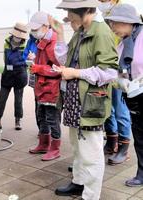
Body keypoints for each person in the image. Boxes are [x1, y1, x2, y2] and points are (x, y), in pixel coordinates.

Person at [53, 0, 119, 199]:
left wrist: (75, 72)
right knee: (77, 146)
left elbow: (109, 72)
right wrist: (59, 34)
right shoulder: (81, 31)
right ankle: (79, 182)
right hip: (75, 100)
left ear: (84, 11)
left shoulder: (101, 32)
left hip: (90, 102)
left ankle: (90, 195)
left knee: (91, 152)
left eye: (70, 11)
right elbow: (65, 60)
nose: (68, 15)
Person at [104, 3, 143, 187]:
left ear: (127, 22)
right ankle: (142, 174)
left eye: (114, 24)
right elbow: (117, 71)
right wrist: (119, 81)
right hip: (134, 98)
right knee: (140, 138)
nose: (112, 28)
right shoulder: (123, 43)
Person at [98, 0, 132, 166]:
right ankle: (111, 142)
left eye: (103, 0)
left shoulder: (123, 15)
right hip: (106, 70)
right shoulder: (104, 18)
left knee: (120, 110)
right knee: (108, 109)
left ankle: (123, 149)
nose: (101, 3)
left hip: (119, 70)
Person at [27, 11, 63, 161]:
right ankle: (43, 144)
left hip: (52, 89)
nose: (33, 32)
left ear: (46, 26)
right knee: (41, 116)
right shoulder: (41, 41)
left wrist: (37, 68)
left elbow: (59, 69)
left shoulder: (54, 43)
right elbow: (46, 64)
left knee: (52, 119)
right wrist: (34, 60)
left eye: (36, 29)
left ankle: (55, 149)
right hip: (41, 88)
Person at [0, 22, 28, 130]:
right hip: (7, 74)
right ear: (13, 34)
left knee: (18, 100)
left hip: (20, 74)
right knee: (2, 98)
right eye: (16, 35)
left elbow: (27, 61)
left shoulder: (26, 46)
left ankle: (18, 120)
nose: (18, 38)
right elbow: (5, 59)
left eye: (20, 36)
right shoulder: (6, 43)